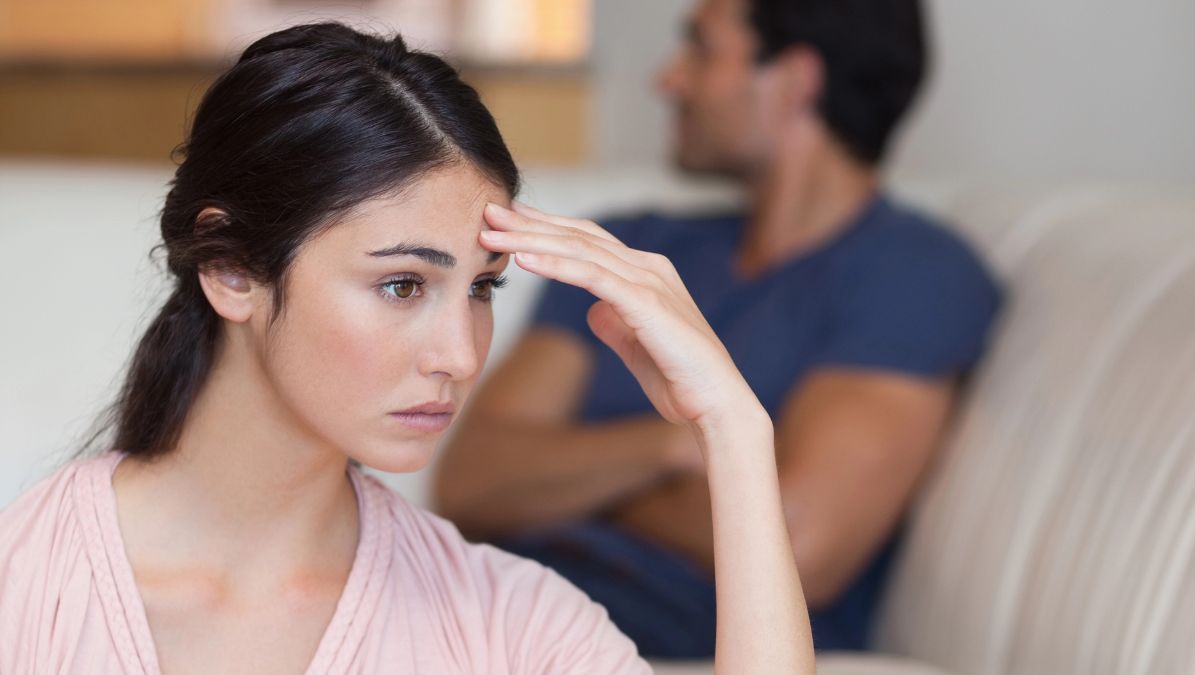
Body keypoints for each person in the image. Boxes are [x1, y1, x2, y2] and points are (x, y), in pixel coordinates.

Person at [0, 23, 814, 674]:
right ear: (231, 269)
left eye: (483, 287)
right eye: (402, 286)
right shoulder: (27, 584)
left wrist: (735, 430)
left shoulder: (507, 622)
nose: (461, 355)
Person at [434, 0, 1002, 658]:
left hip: (663, 630)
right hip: (489, 589)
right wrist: (677, 445)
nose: (667, 80)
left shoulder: (913, 274)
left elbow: (802, 541)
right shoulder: (631, 246)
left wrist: (567, 481)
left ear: (794, 79)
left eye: (701, 50)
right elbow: (471, 477)